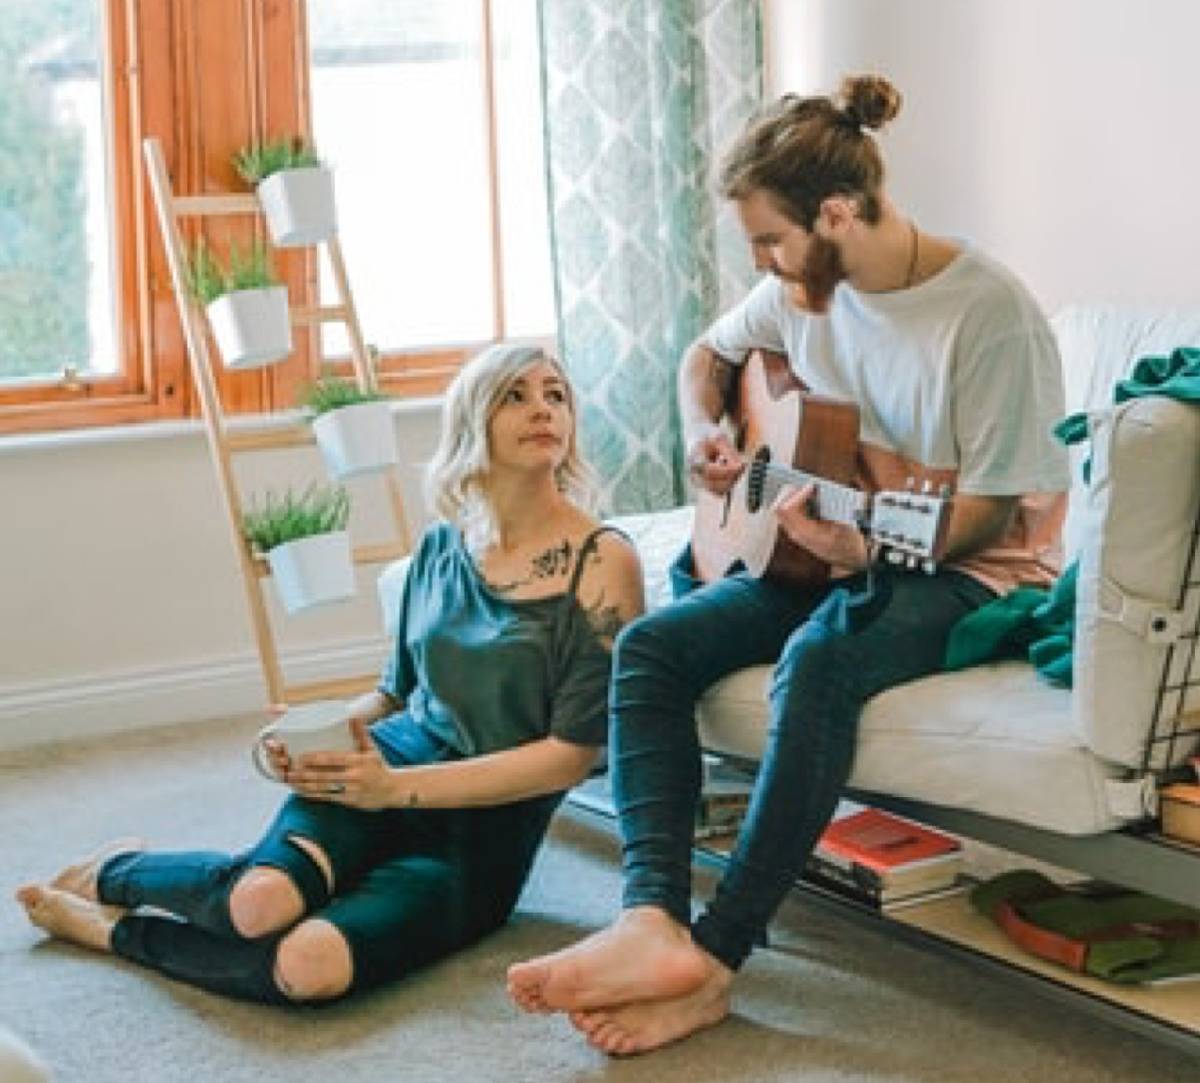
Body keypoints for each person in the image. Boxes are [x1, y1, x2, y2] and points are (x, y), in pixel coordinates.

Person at [507, 74, 1070, 1054]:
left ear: (838, 213)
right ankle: (649, 918)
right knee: (648, 649)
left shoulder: (988, 315)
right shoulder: (799, 292)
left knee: (818, 663)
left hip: (967, 572)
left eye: (770, 239)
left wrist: (872, 547)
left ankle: (710, 959)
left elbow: (987, 514)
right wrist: (704, 435)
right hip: (824, 550)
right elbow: (705, 357)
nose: (763, 263)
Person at [15, 343, 644, 1006]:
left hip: (483, 829)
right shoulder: (440, 544)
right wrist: (311, 730)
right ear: (473, 422)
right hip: (386, 763)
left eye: (556, 394)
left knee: (308, 966)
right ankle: (120, 869)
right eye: (515, 395)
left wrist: (395, 790)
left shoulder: (602, 562)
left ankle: (112, 932)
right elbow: (393, 693)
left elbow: (569, 757)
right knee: (257, 904)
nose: (542, 408)